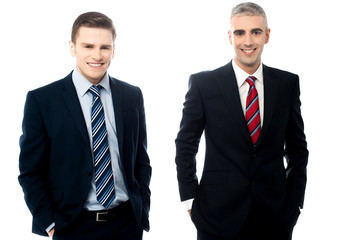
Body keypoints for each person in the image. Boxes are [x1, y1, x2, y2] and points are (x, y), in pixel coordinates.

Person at [175, 2, 308, 240]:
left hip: (275, 217)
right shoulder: (203, 84)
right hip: (216, 215)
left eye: (256, 32)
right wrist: (189, 200)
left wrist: (295, 202)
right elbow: (186, 145)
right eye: (240, 33)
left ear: (267, 35)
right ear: (230, 36)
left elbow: (298, 149)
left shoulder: (287, 84)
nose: (248, 41)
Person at [18, 12, 151, 240]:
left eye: (104, 47)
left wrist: (142, 208)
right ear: (73, 47)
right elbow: (31, 171)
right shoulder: (43, 100)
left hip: (126, 224)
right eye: (88, 46)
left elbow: (140, 159)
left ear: (113, 50)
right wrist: (50, 223)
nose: (97, 55)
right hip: (72, 226)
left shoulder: (131, 95)